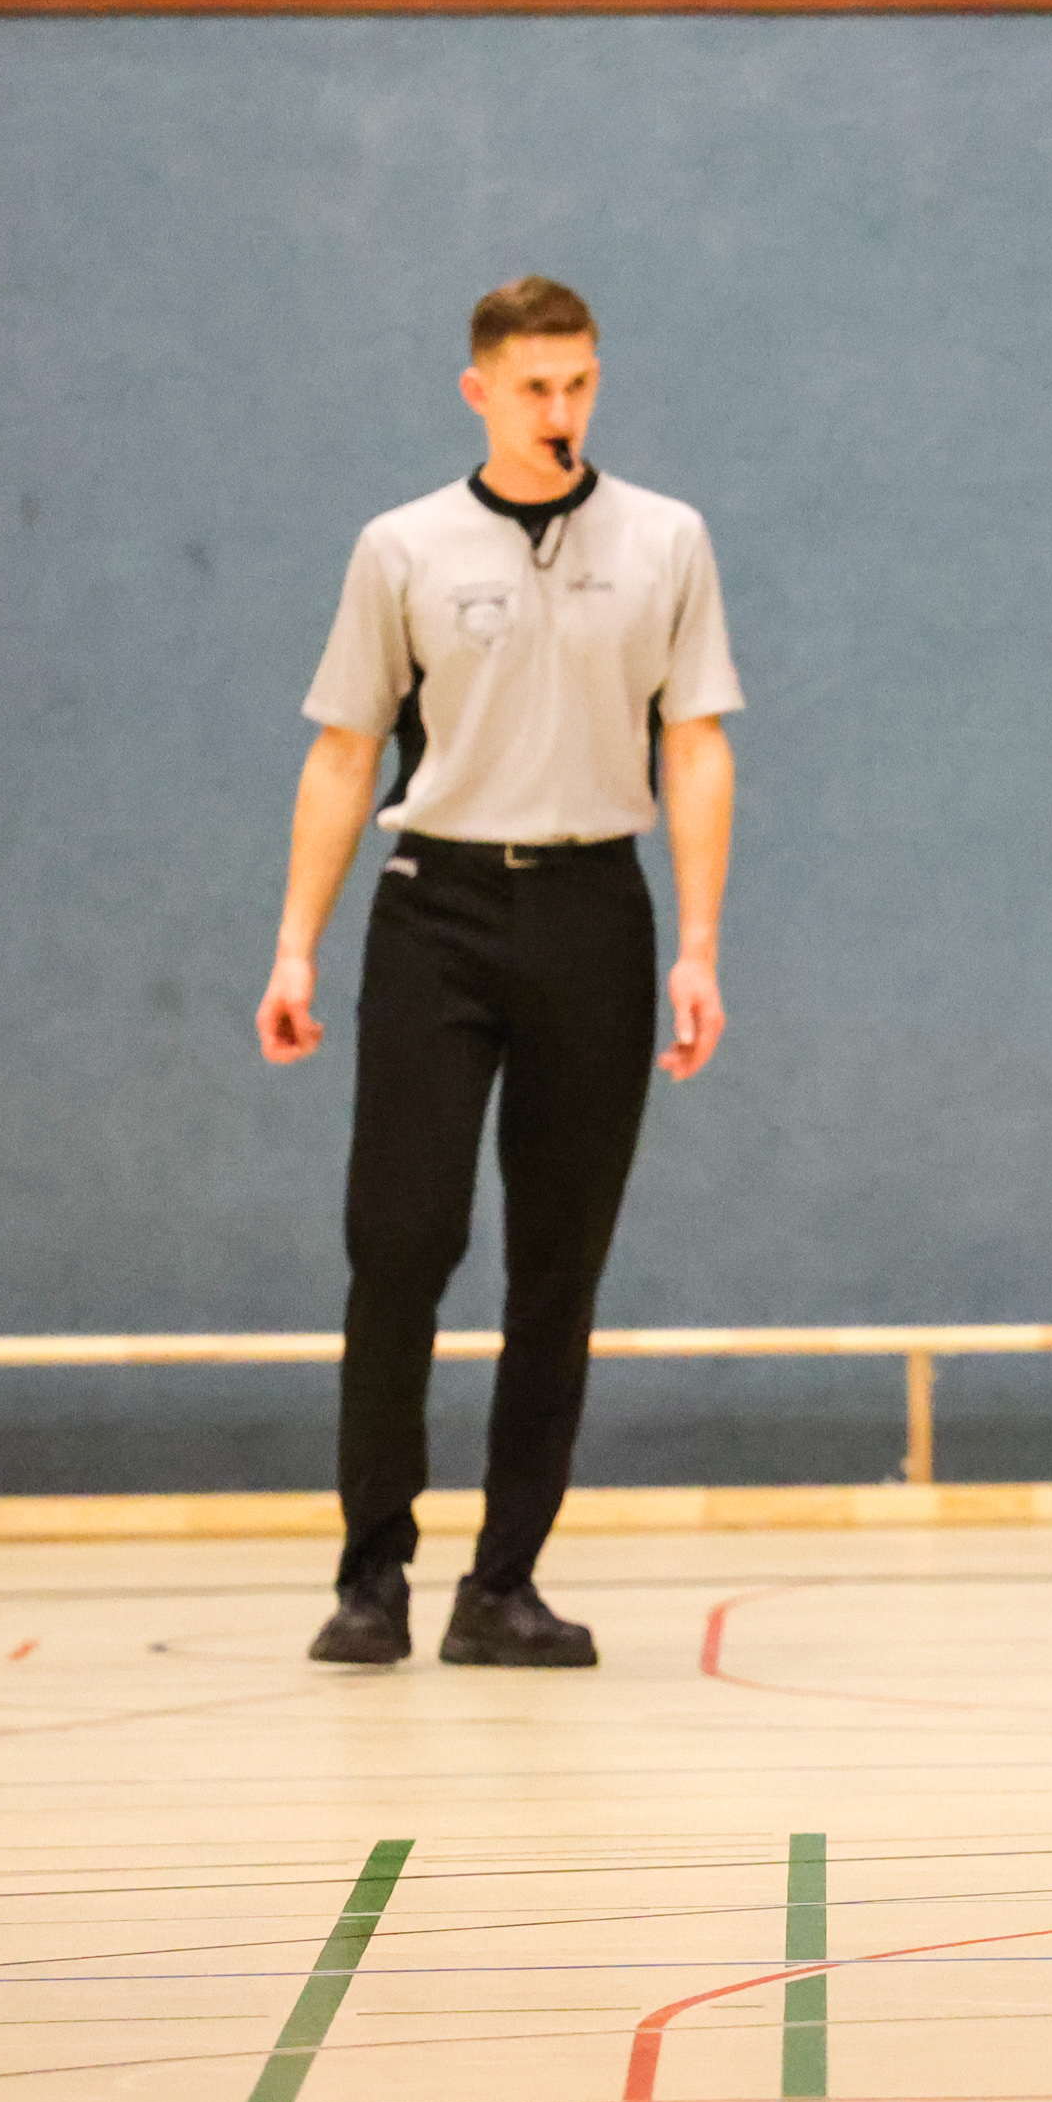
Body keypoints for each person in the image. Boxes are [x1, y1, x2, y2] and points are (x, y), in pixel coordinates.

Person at [257, 278, 743, 1670]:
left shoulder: (665, 539)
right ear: (479, 392)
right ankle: (371, 1579)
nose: (560, 408)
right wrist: (294, 944)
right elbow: (345, 749)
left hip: (596, 911)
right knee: (400, 1239)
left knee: (558, 1262)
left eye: (579, 381)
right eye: (534, 386)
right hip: (439, 912)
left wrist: (699, 948)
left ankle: (504, 1584)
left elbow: (696, 743)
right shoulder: (402, 546)